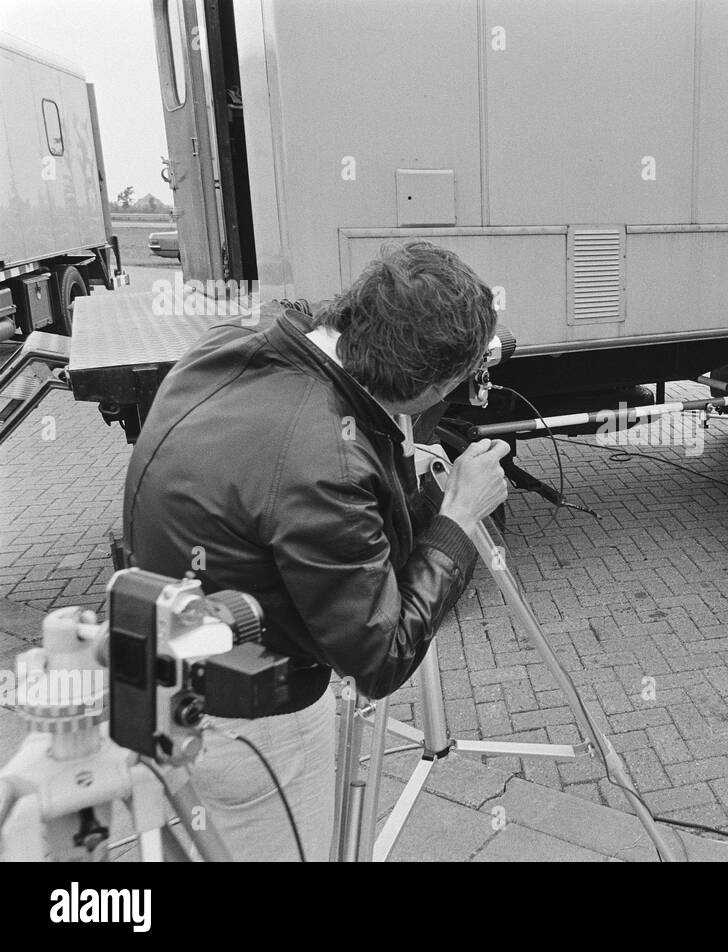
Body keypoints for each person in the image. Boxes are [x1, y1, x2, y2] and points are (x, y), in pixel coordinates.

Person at [122, 241, 510, 859]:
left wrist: (421, 497)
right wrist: (460, 518)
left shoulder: (234, 346)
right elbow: (380, 656)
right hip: (252, 729)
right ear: (429, 387)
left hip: (161, 691)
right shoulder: (326, 463)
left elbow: (303, 532)